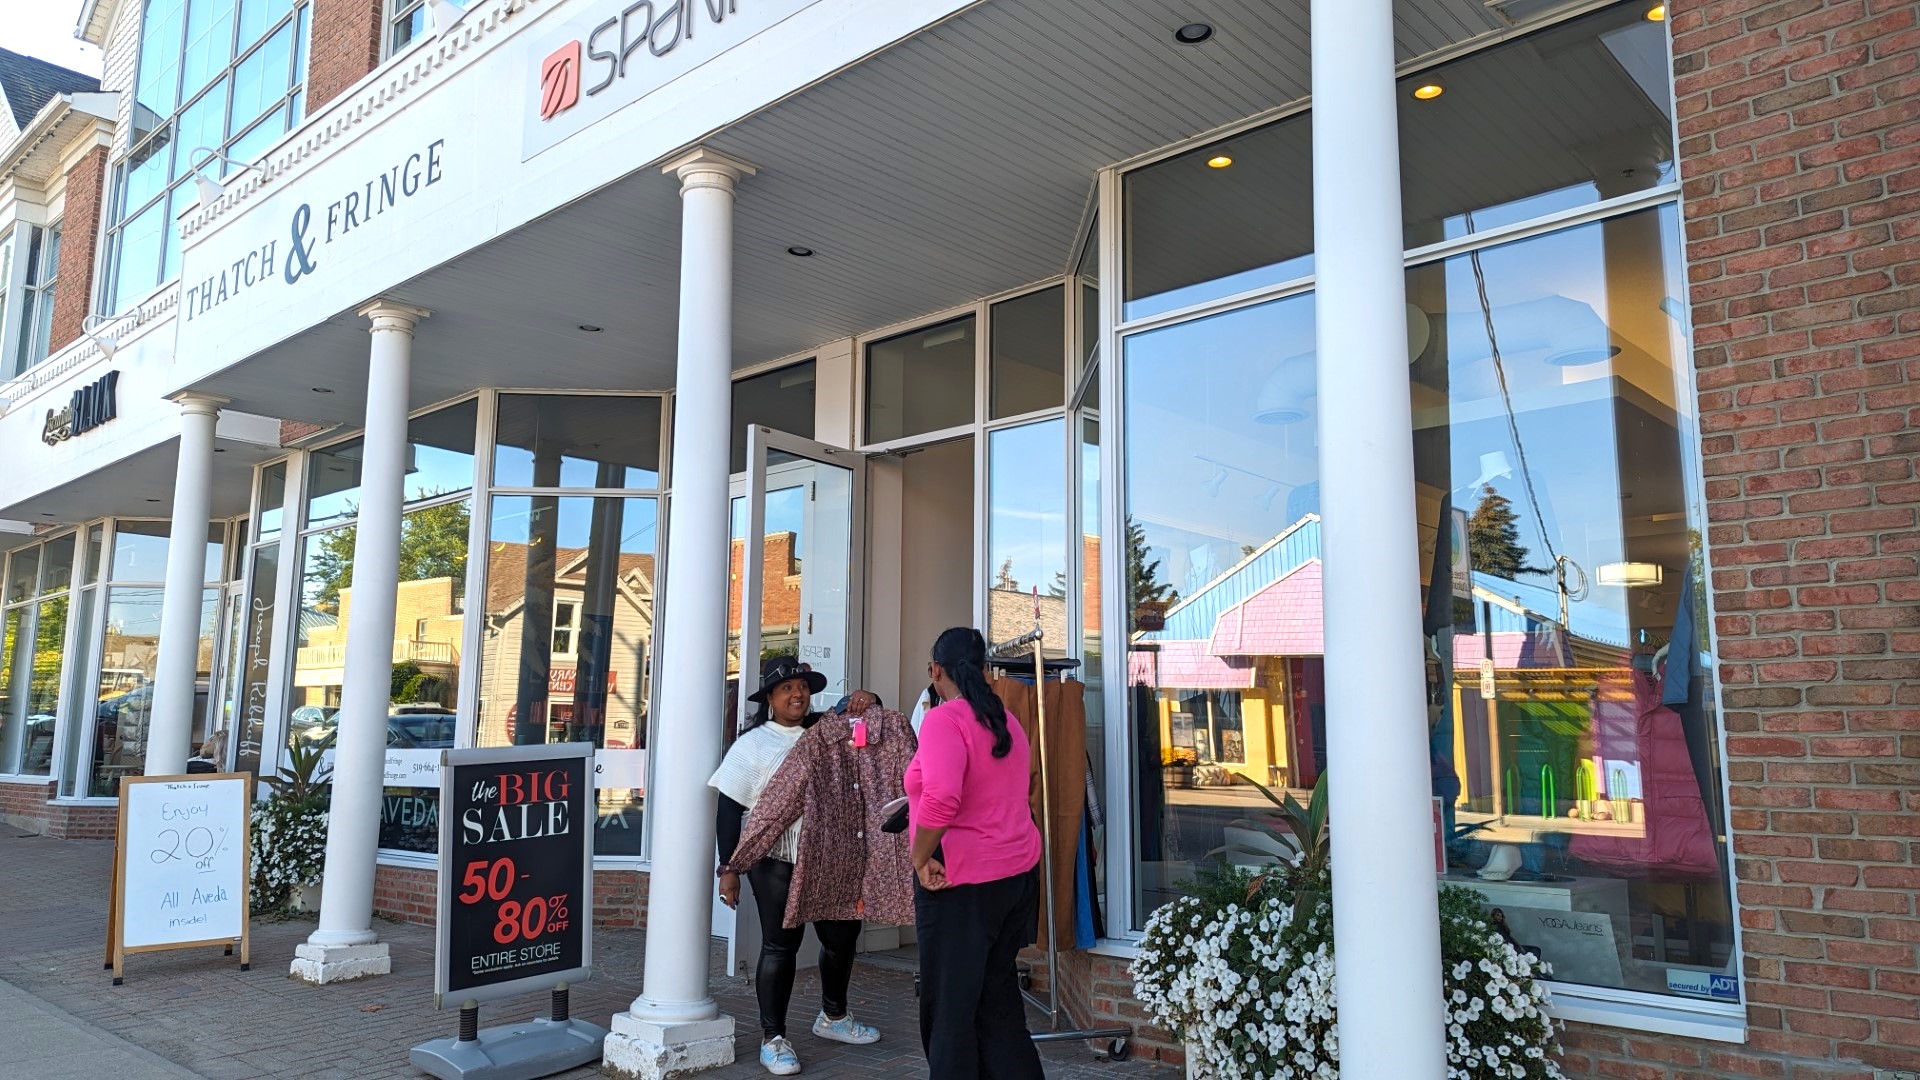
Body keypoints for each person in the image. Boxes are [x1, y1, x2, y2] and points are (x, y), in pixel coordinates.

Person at [710, 657, 880, 1075]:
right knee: (779, 947)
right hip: (776, 861)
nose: (797, 694)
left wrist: (869, 698)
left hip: (832, 859)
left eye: (803, 686)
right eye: (787, 688)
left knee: (842, 937)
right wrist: (728, 867)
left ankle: (834, 1017)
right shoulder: (752, 745)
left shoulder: (829, 732)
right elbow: (729, 810)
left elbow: (869, 716)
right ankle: (773, 1038)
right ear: (769, 698)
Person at [905, 627, 1045, 1079]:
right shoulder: (1005, 719)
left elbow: (943, 798)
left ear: (935, 671)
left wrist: (918, 857)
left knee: (949, 1011)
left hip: (962, 883)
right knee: (997, 1002)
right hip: (1016, 876)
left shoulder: (944, 720)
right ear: (984, 670)